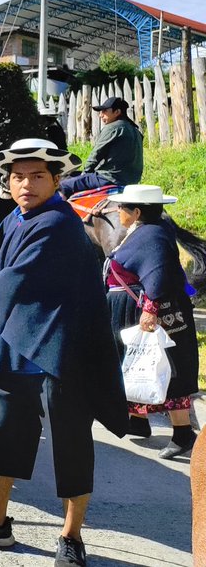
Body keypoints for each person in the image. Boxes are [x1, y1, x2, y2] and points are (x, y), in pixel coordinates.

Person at [0, 138, 127, 567]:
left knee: (70, 441)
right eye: (18, 176)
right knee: (3, 432)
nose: (26, 184)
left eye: (38, 176)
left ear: (57, 180)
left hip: (58, 348)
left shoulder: (57, 224)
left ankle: (71, 537)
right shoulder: (16, 218)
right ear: (8, 182)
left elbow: (15, 278)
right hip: (15, 345)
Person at [104, 184, 198, 459]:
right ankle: (138, 420)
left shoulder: (152, 236)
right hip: (129, 310)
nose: (117, 211)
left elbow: (158, 275)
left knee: (164, 368)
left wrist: (150, 308)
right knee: (133, 363)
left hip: (152, 314)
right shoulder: (144, 232)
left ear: (135, 212)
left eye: (122, 208)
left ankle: (183, 434)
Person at [59, 96, 144, 197]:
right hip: (131, 180)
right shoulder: (135, 130)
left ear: (117, 112)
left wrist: (85, 173)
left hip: (109, 178)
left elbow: (96, 154)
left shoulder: (113, 128)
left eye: (104, 111)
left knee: (63, 185)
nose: (100, 115)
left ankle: (61, 212)